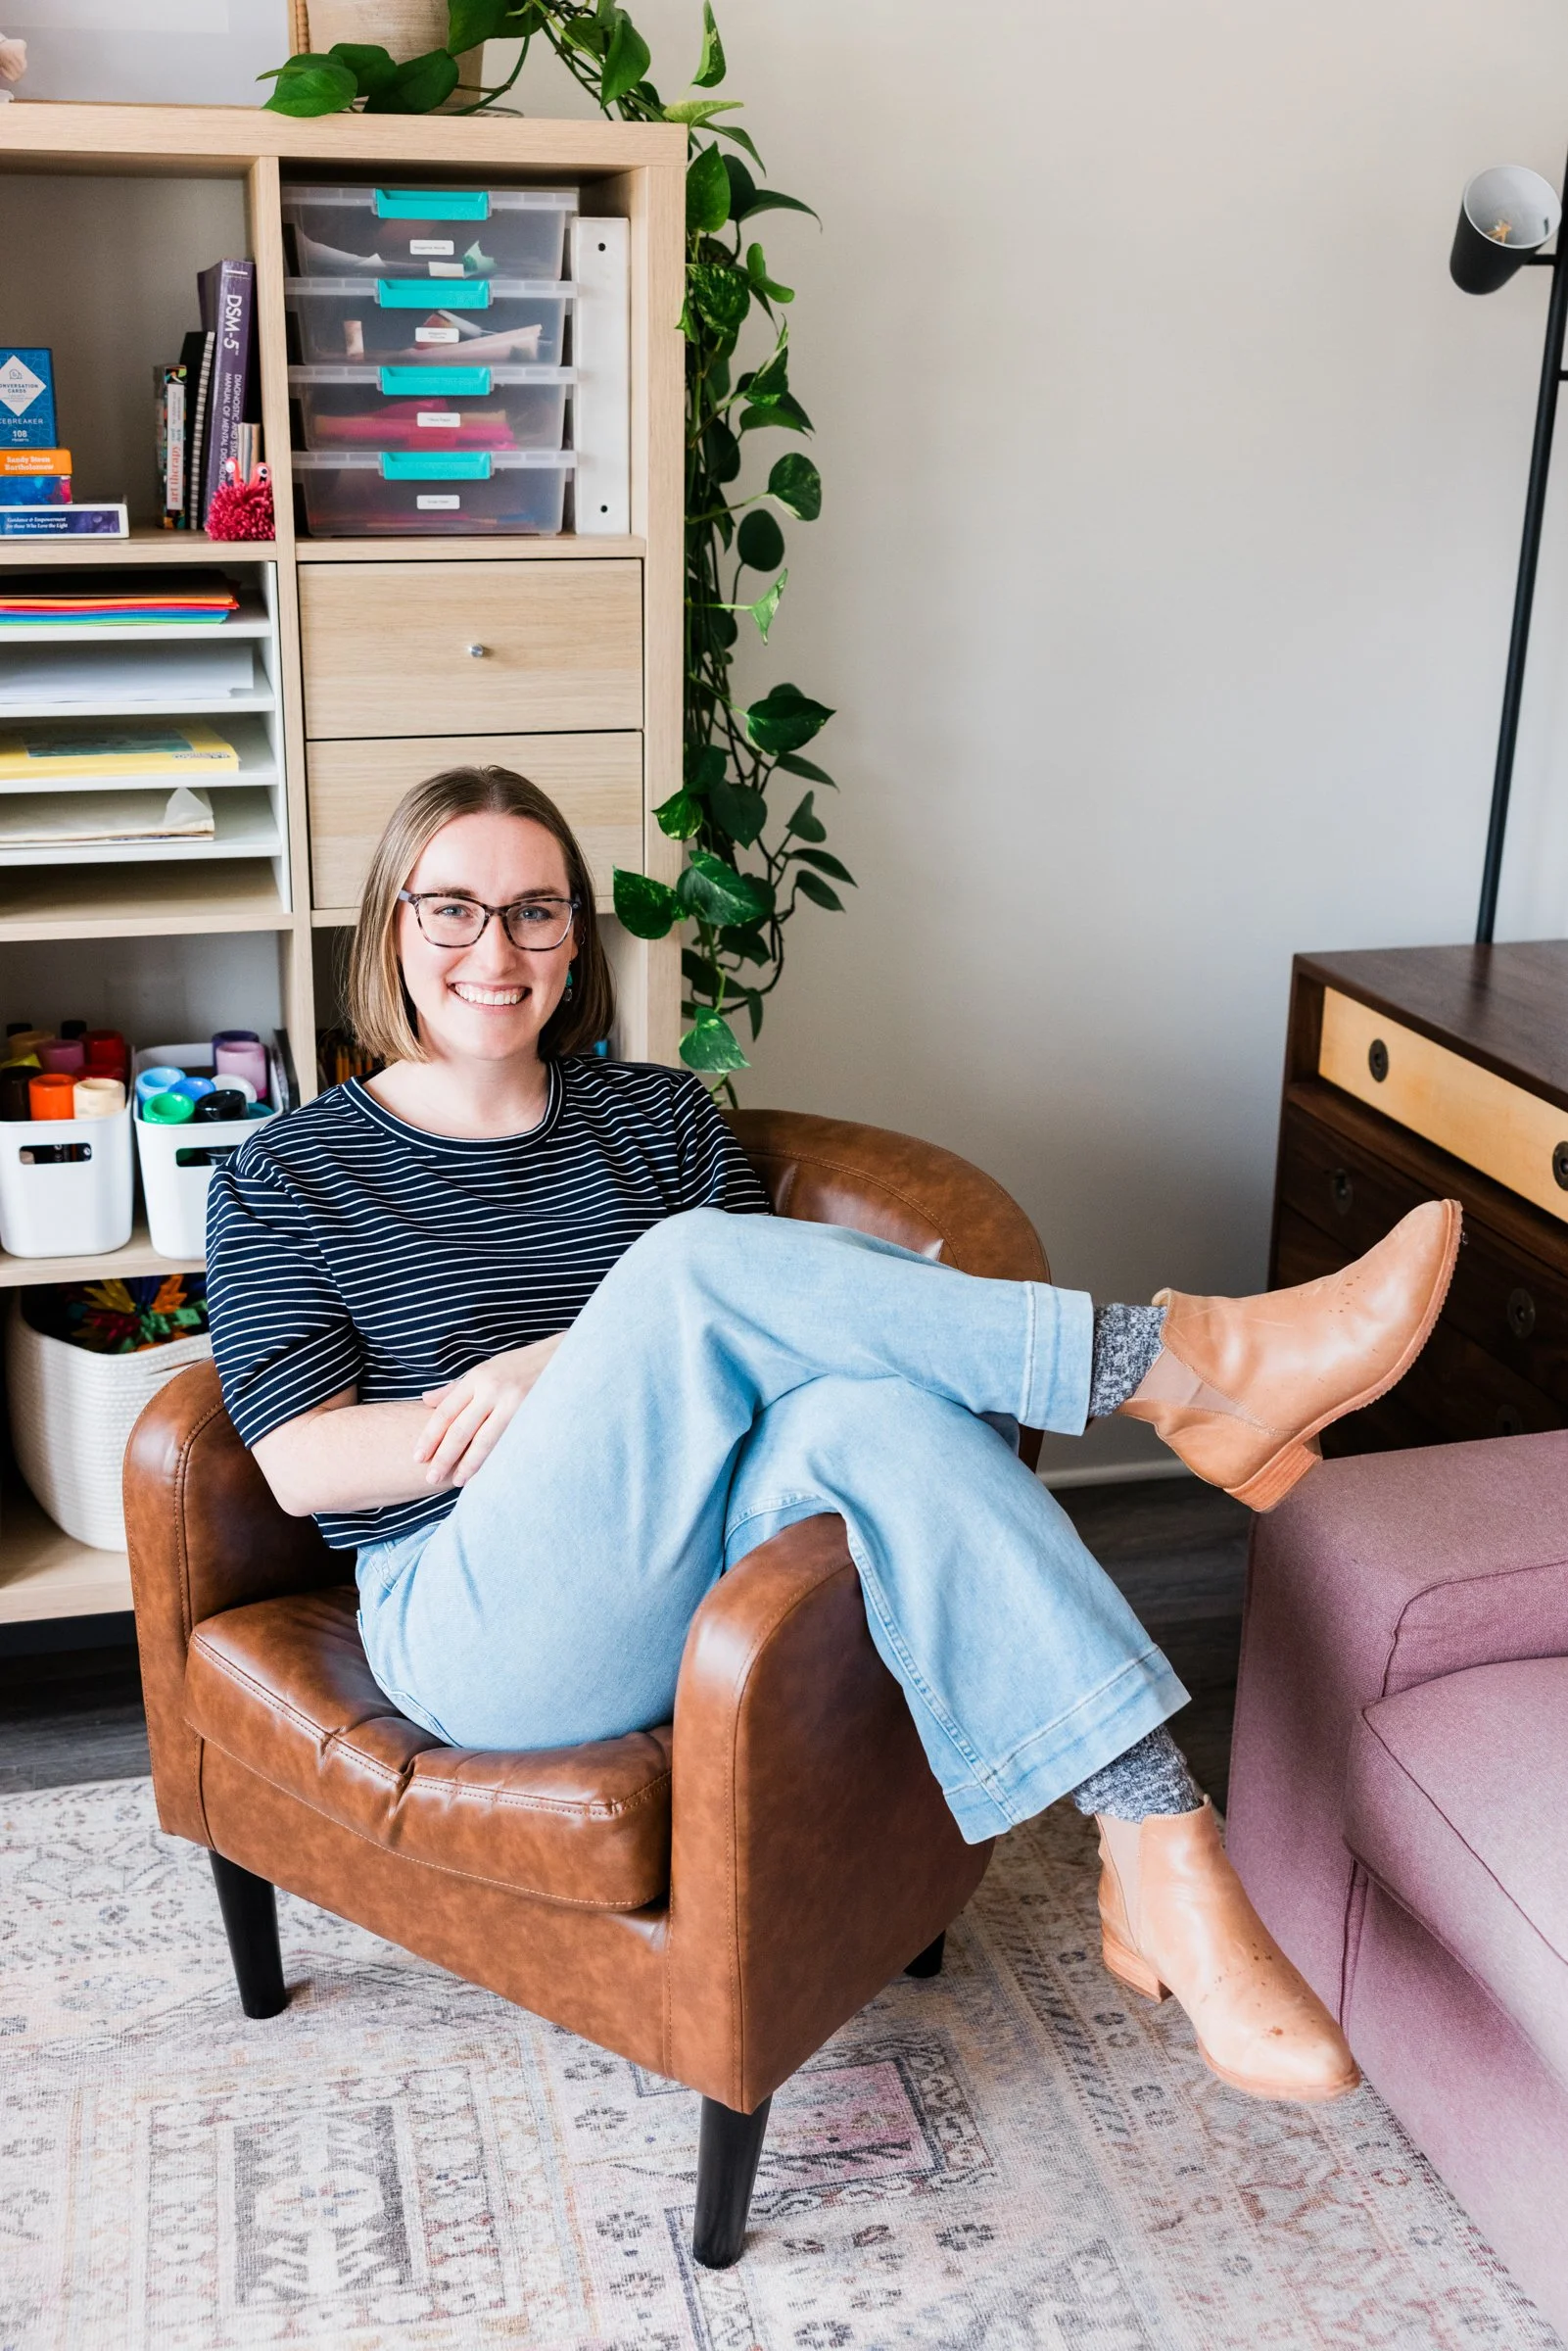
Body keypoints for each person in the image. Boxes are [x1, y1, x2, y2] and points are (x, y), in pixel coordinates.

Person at [206, 765, 1459, 2109]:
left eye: (535, 912)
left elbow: (789, 1342)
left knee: (870, 1414)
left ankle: (1159, 1843)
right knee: (692, 1270)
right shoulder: (287, 1172)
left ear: (576, 941)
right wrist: (570, 1393)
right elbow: (305, 1464)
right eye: (451, 909)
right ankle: (1179, 1371)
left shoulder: (660, 1119)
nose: (494, 950)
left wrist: (564, 1362)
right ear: (390, 925)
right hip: (479, 1624)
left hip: (699, 1570)